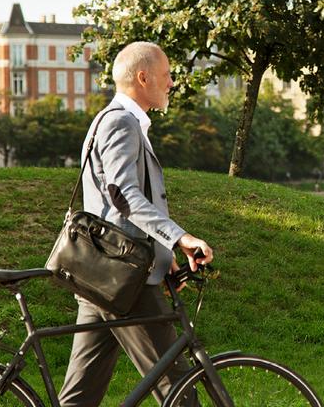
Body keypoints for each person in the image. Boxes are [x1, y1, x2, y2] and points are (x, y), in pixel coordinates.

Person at [58, 42, 213, 406]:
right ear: (143, 78)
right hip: (127, 280)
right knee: (177, 392)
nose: (172, 83)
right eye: (166, 75)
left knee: (79, 399)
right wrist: (179, 238)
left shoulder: (116, 121)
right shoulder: (121, 123)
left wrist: (160, 254)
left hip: (106, 274)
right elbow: (123, 196)